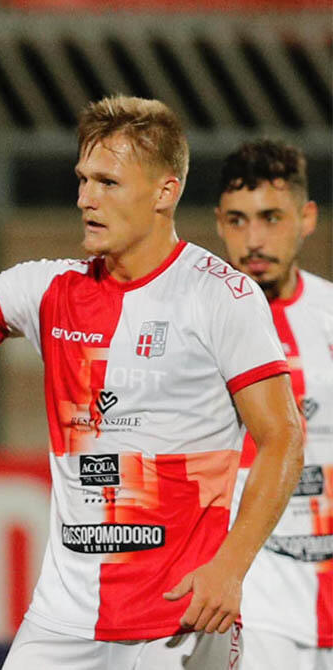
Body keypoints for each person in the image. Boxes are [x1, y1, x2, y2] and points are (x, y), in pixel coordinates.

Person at [0, 97, 304, 668]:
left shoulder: (222, 296)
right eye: (82, 180)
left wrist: (230, 567)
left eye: (107, 182)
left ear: (164, 192)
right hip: (63, 620)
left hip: (179, 619)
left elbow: (283, 438)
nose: (85, 199)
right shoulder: (48, 289)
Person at [214, 139, 332, 669]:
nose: (254, 239)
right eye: (238, 220)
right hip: (253, 593)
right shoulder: (198, 325)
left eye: (271, 218)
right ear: (219, 222)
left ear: (306, 218)